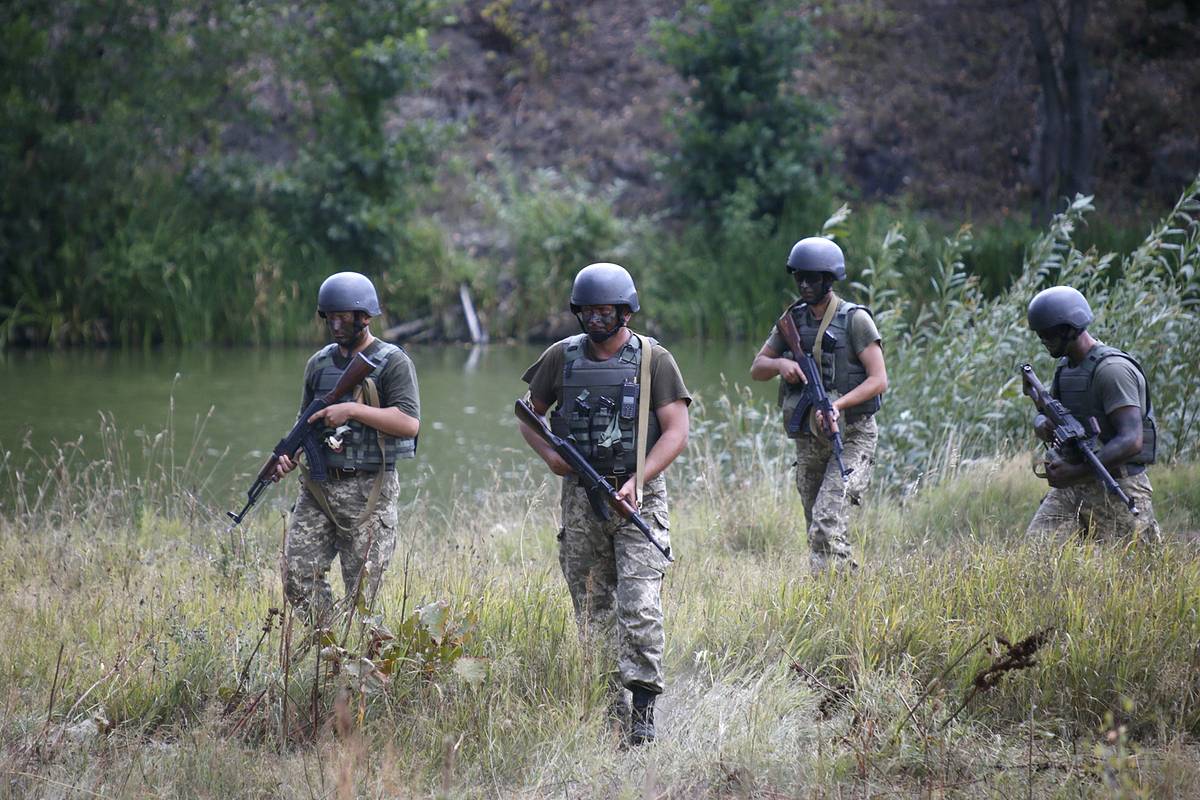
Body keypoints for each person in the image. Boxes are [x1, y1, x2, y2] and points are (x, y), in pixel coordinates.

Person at [516, 262, 691, 746]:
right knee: (590, 609)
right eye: (587, 310)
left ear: (625, 312)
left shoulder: (654, 359)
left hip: (638, 501)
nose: (596, 318)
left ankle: (642, 713)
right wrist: (552, 457)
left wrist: (639, 479)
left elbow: (676, 432)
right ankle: (608, 711)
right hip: (580, 501)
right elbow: (529, 414)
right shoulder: (562, 357)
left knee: (640, 606)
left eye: (605, 309)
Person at [274, 271, 420, 625]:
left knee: (362, 597)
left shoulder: (392, 361)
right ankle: (330, 645)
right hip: (319, 489)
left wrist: (353, 409)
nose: (335, 324)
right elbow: (304, 421)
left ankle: (358, 659)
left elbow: (409, 423)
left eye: (344, 316)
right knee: (297, 576)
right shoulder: (319, 363)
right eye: (330, 317)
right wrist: (288, 456)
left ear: (365, 317)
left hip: (369, 489)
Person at [750, 238, 888, 572]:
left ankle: (837, 596)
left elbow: (879, 379)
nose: (805, 285)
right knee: (817, 528)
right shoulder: (792, 321)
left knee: (828, 521)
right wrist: (782, 365)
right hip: (809, 440)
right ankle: (833, 597)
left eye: (813, 278)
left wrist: (837, 405)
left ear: (829, 279)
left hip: (852, 436)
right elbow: (757, 368)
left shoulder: (854, 320)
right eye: (800, 278)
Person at [1024, 285, 1159, 542]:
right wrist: (1041, 422)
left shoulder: (1112, 371)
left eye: (1048, 333)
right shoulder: (1066, 369)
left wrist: (1075, 472)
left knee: (1129, 572)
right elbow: (1050, 413)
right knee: (1035, 556)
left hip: (1117, 484)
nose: (1043, 339)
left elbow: (1131, 440)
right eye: (1040, 333)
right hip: (1071, 487)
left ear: (1069, 328)